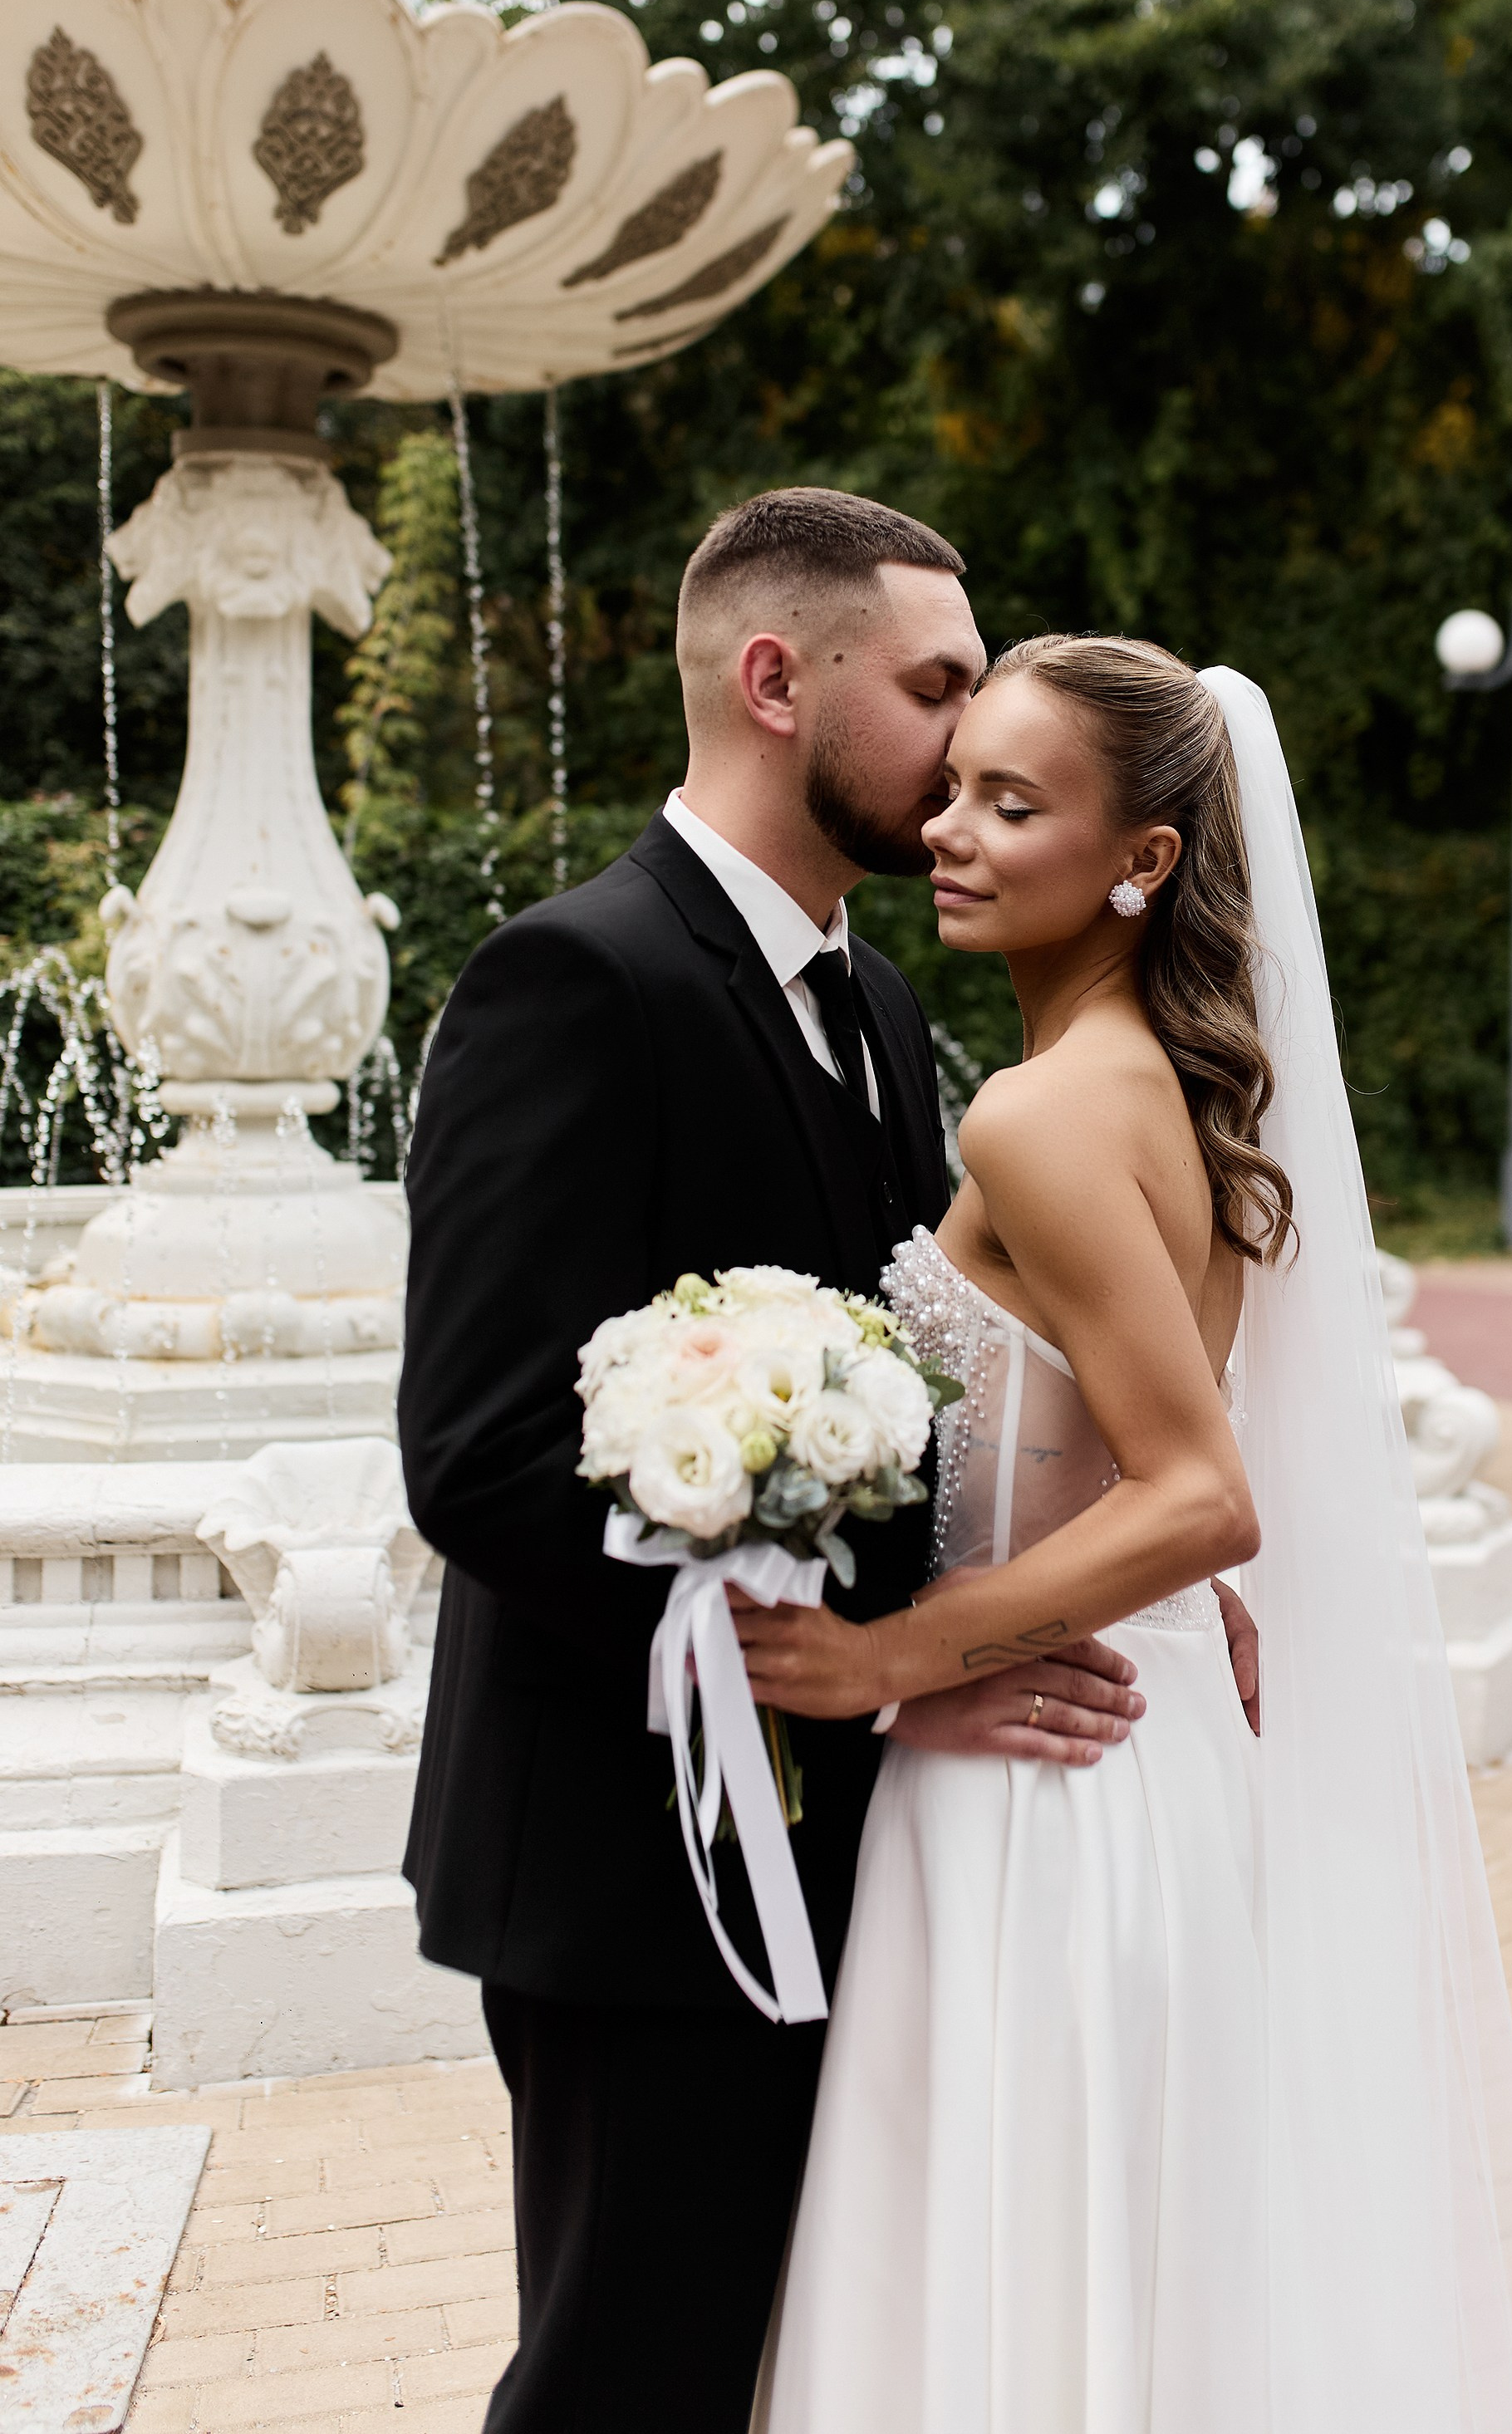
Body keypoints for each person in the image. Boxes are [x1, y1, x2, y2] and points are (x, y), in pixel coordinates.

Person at [397, 498, 1244, 2434]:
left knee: (802, 2355)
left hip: (852, 1838)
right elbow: (483, 1454)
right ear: (778, 682)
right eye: (939, 687)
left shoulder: (875, 1005)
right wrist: (879, 1671)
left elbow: (956, 1393)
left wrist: (1138, 1549)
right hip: (636, 1856)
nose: (966, 744)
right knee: (630, 2374)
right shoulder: (572, 981)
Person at [742, 639, 1512, 2434]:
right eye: (957, 786)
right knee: (1129, 2277)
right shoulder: (1161, 1088)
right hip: (1144, 1742)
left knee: (1019, 2289)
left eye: (1011, 804)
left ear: (1143, 862)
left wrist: (886, 1661)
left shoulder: (1040, 1110)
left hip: (1050, 1783)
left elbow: (1199, 1489)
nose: (947, 830)